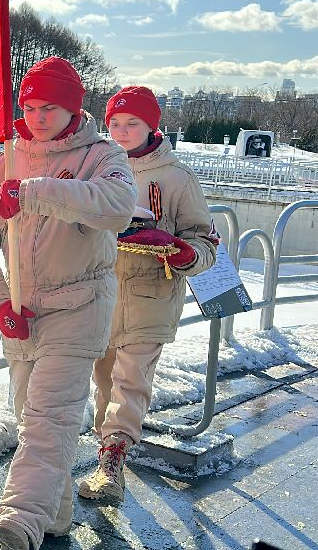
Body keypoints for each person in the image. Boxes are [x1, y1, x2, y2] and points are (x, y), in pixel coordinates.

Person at [0, 57, 137, 549]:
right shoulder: (2, 162)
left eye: (50, 107)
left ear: (73, 109)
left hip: (81, 306)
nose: (38, 116)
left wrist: (35, 193)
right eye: (29, 106)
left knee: (51, 418)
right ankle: (58, 514)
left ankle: (21, 519)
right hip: (23, 316)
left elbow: (118, 206)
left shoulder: (103, 155)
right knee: (32, 415)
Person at [78, 86, 217, 503]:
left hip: (152, 295)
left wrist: (182, 250)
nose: (120, 132)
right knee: (103, 382)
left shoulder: (177, 178)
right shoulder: (96, 168)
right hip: (101, 290)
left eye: (131, 124)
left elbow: (204, 242)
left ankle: (112, 463)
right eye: (114, 123)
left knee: (131, 379)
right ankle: (109, 450)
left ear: (151, 125)